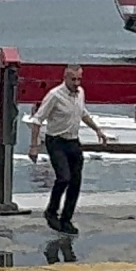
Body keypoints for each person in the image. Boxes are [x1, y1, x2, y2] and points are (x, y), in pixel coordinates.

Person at [28, 63, 111, 234]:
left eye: (79, 79)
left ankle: (66, 219)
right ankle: (51, 211)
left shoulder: (80, 93)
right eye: (73, 79)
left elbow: (83, 113)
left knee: (76, 182)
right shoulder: (54, 95)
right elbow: (37, 120)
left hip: (73, 141)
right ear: (65, 77)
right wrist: (34, 146)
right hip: (56, 141)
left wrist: (98, 130)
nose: (76, 83)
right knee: (63, 178)